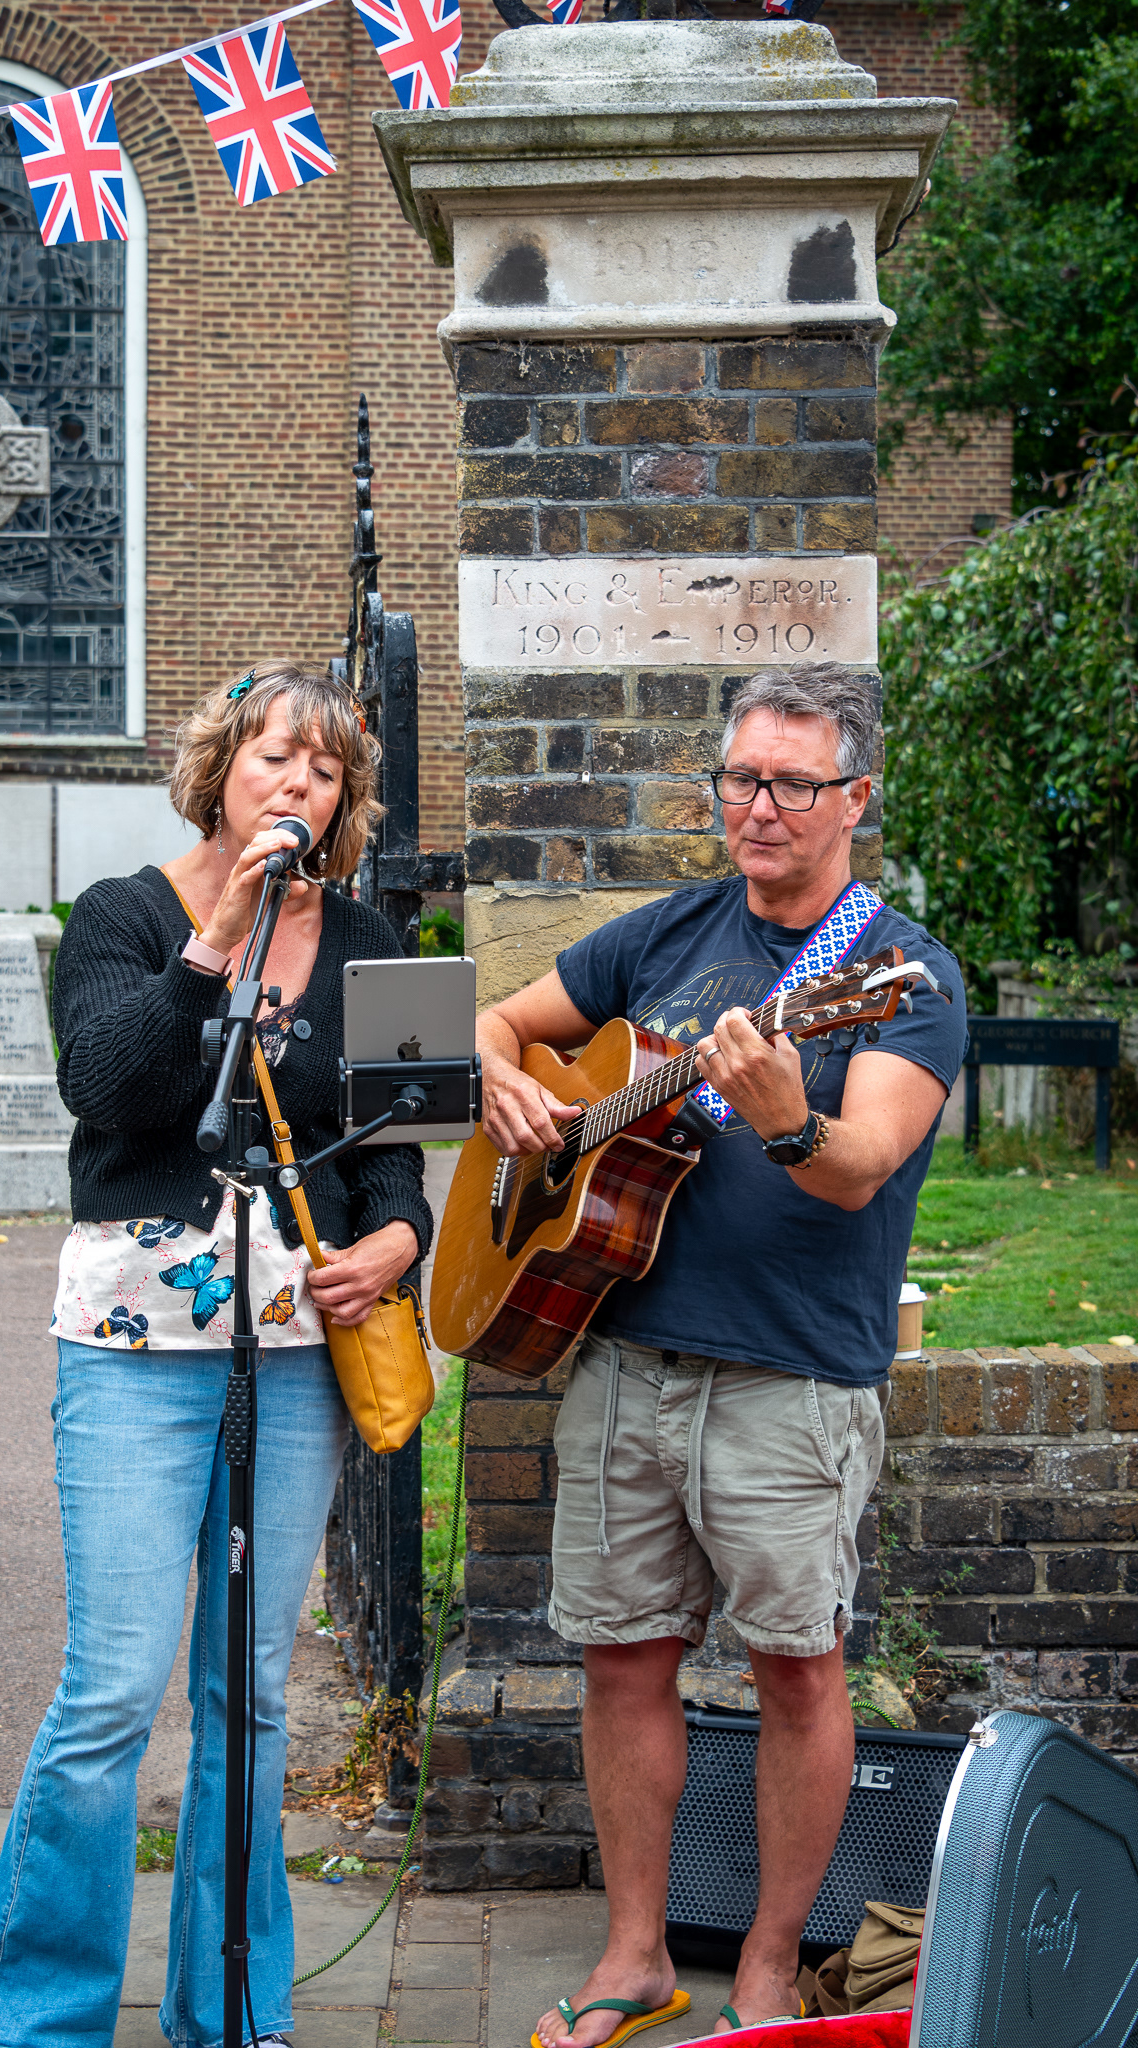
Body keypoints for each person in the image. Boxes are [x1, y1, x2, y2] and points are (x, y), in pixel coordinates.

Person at [474, 664, 967, 2046]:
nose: (759, 807)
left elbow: (861, 1164)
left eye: (793, 784)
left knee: (797, 1667)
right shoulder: (666, 934)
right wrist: (504, 1074)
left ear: (854, 800)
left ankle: (763, 1966)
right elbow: (503, 1019)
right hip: (626, 1357)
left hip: (795, 1379)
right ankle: (635, 1953)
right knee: (620, 1658)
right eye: (741, 778)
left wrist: (789, 1118)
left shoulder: (902, 978)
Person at [0, 664, 432, 2048]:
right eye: (275, 758)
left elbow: (396, 1140)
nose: (297, 783)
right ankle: (38, 2018)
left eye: (326, 769)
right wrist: (216, 939)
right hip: (129, 1352)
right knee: (112, 1689)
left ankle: (232, 2011)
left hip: (292, 1361)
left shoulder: (367, 937)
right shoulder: (122, 915)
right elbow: (108, 1087)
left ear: (345, 799)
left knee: (254, 1695)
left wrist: (398, 1241)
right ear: (221, 768)